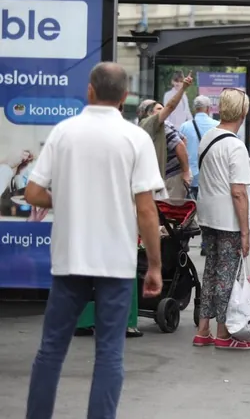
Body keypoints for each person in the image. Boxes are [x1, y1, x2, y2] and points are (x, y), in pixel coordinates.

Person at [24, 62, 165, 419]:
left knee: (52, 349)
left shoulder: (64, 132)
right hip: (115, 263)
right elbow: (147, 211)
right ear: (124, 98)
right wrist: (155, 266)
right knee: (109, 353)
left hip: (70, 258)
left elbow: (32, 192)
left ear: (90, 90)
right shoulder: (136, 139)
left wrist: (68, 198)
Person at [194, 88, 250, 350]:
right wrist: (244, 232)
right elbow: (238, 192)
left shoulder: (208, 137)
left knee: (211, 271)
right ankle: (223, 333)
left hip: (207, 216)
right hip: (228, 220)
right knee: (227, 275)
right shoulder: (235, 146)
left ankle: (202, 329)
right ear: (243, 112)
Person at [137, 72, 194, 198]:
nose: (163, 111)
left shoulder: (165, 125)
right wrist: (184, 171)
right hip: (168, 177)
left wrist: (181, 167)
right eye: (158, 109)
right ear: (148, 113)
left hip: (172, 176)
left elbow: (181, 142)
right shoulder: (149, 123)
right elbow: (170, 106)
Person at [179, 95, 219, 200]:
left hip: (190, 180)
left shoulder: (184, 127)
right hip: (211, 179)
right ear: (208, 108)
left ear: (194, 109)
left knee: (190, 212)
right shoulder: (217, 126)